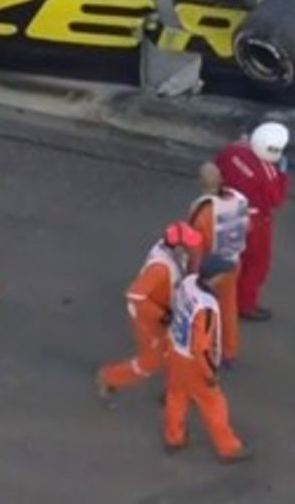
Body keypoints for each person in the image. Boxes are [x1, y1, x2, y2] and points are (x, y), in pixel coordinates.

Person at [97, 221, 202, 399]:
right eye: (191, 247)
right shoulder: (159, 268)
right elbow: (134, 296)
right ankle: (109, 377)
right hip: (149, 318)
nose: (195, 251)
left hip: (165, 310)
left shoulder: (172, 253)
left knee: (176, 351)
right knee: (150, 362)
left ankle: (176, 392)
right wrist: (162, 315)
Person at [163, 255, 249, 463]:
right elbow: (200, 347)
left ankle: (174, 437)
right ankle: (229, 449)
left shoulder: (188, 282)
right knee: (213, 404)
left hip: (175, 348)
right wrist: (209, 373)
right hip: (193, 362)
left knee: (177, 395)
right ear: (215, 277)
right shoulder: (206, 306)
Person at [213, 122, 289, 323]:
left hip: (227, 208)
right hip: (255, 219)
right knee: (256, 264)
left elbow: (218, 164)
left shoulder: (234, 150)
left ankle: (218, 296)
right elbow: (277, 200)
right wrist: (283, 174)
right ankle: (245, 305)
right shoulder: (268, 172)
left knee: (227, 257)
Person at [187, 162, 250, 363]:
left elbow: (195, 243)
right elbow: (248, 227)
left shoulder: (201, 209)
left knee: (202, 308)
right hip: (233, 262)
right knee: (228, 308)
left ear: (199, 181)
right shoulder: (239, 199)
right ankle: (229, 351)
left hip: (210, 267)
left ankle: (201, 349)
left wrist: (193, 271)